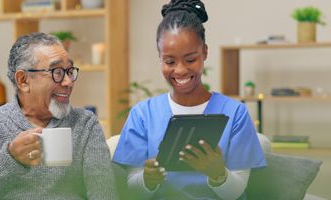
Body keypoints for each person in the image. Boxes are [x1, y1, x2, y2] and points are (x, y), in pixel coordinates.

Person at [112, 0, 266, 199]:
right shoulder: (143, 114)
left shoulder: (235, 113)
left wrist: (218, 174)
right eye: (170, 61)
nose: (181, 70)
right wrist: (147, 180)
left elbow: (236, 192)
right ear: (160, 58)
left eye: (190, 59)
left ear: (205, 53)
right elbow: (132, 190)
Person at [0, 32, 118, 200]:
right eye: (57, 72)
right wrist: (11, 159)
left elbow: (104, 194)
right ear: (23, 80)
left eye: (69, 71)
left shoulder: (85, 124)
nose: (69, 82)